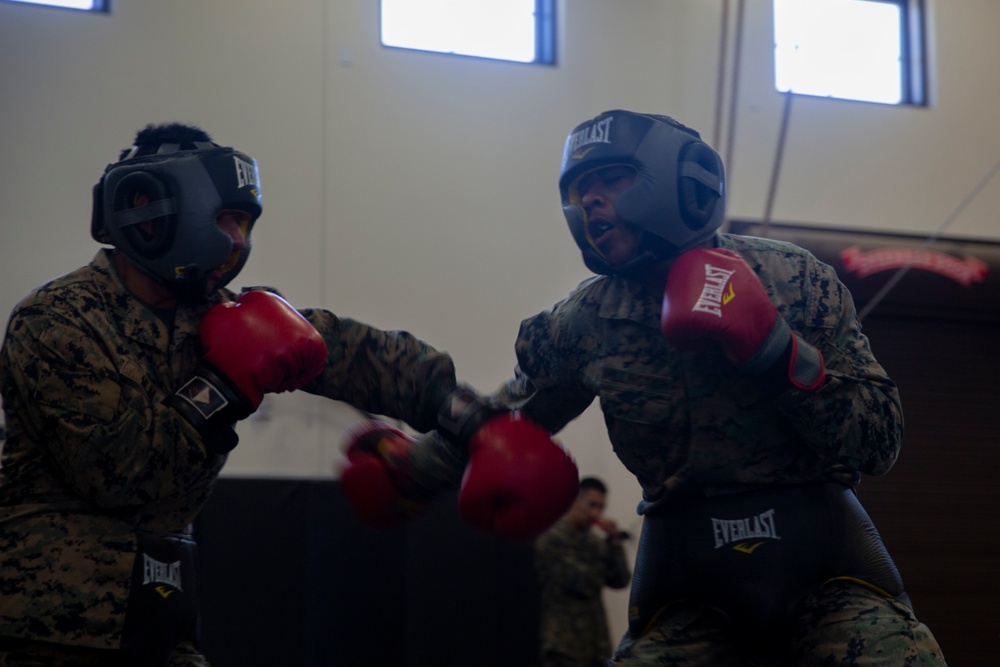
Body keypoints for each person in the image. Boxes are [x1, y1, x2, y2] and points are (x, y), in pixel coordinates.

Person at [0, 123, 578, 667]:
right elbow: (117, 472)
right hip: (46, 630)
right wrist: (224, 385)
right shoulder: (58, 319)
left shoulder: (220, 315)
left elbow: (355, 354)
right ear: (150, 213)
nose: (235, 240)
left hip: (161, 620)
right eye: (224, 218)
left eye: (245, 223)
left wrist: (473, 421)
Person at [488, 110, 947, 665]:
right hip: (689, 593)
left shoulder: (792, 279)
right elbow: (504, 420)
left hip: (827, 577)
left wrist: (778, 353)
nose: (591, 200)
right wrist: (412, 465)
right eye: (581, 188)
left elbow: (881, 440)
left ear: (680, 179)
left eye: (612, 180)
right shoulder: (584, 322)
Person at [535, 476, 631, 667]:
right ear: (575, 500)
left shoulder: (595, 542)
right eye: (591, 505)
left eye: (601, 508)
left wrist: (614, 544)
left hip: (597, 643)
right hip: (565, 645)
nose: (596, 513)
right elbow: (583, 582)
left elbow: (620, 580)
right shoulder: (552, 539)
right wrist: (602, 564)